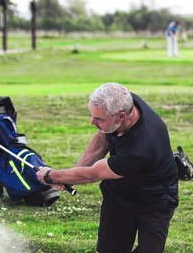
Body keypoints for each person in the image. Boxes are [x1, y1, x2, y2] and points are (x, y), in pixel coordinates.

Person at [36, 83, 179, 253]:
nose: (92, 122)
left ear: (121, 116)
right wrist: (71, 175)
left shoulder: (141, 149)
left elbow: (92, 175)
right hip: (119, 195)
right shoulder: (125, 100)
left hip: (155, 200)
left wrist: (51, 175)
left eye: (98, 119)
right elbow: (102, 138)